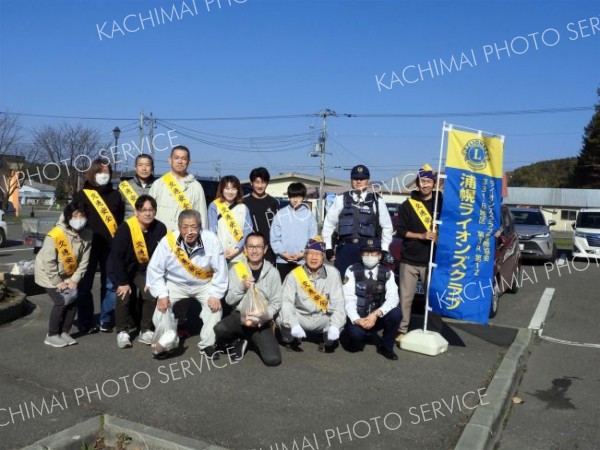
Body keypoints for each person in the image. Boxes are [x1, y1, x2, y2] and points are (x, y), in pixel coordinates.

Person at [146, 209, 228, 359]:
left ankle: (207, 345)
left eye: (194, 227)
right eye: (185, 227)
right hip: (175, 283)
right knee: (161, 309)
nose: (189, 231)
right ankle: (167, 343)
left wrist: (216, 294)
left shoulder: (211, 239)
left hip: (203, 283)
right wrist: (162, 294)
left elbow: (220, 270)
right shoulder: (168, 241)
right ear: (179, 227)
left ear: (200, 226)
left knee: (215, 308)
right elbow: (154, 269)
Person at [107, 194, 167, 349]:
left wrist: (153, 279)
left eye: (151, 210)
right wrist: (122, 282)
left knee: (151, 294)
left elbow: (161, 256)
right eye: (144, 210)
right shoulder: (126, 228)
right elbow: (117, 257)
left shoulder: (160, 228)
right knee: (124, 295)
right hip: (122, 269)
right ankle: (122, 331)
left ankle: (145, 329)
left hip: (144, 270)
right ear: (136, 212)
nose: (148, 213)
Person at [214, 232, 282, 366]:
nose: (254, 250)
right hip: (240, 316)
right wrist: (241, 288)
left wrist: (264, 315)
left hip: (261, 320)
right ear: (245, 249)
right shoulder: (235, 268)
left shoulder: (273, 272)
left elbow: (277, 302)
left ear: (265, 249)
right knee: (219, 329)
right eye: (250, 247)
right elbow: (229, 300)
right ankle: (240, 339)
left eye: (258, 247)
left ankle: (247, 339)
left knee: (273, 359)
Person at [73, 159, 125, 333]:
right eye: (100, 171)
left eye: (107, 172)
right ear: (92, 173)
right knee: (84, 285)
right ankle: (85, 320)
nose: (104, 175)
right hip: (87, 247)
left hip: (110, 248)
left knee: (110, 285)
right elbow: (73, 220)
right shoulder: (82, 195)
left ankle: (106, 318)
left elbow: (119, 220)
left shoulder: (116, 195)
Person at [34, 201, 92, 347]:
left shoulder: (87, 234)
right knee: (61, 301)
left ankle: (65, 332)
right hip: (48, 273)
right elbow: (48, 261)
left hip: (68, 273)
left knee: (73, 297)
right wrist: (57, 281)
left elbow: (84, 261)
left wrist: (75, 279)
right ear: (67, 217)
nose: (79, 219)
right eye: (75, 216)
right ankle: (52, 334)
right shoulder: (55, 235)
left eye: (82, 215)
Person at [395, 164, 442, 344]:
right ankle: (402, 329)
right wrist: (421, 235)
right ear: (417, 183)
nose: (426, 185)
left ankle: (435, 331)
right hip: (410, 259)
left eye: (429, 181)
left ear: (434, 183)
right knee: (406, 299)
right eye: (423, 181)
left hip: (433, 260)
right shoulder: (408, 205)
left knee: (434, 298)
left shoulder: (441, 202)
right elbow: (400, 231)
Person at [322, 164, 394, 276]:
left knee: (367, 288)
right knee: (341, 283)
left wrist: (384, 249)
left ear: (368, 180)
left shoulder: (376, 201)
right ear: (351, 180)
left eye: (362, 179)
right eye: (355, 178)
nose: (358, 181)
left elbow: (387, 226)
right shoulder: (341, 199)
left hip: (369, 250)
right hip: (345, 250)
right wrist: (328, 247)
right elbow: (328, 224)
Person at [277, 236, 346, 352]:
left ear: (323, 257)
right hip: (300, 316)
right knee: (280, 317)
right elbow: (286, 302)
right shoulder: (294, 275)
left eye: (318, 254)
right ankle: (291, 339)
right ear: (305, 256)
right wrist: (293, 324)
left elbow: (338, 303)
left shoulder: (333, 273)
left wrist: (335, 326)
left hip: (323, 317)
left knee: (339, 319)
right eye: (310, 253)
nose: (314, 257)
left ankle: (326, 339)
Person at [342, 238, 402, 360]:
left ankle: (386, 347)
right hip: (359, 316)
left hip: (376, 316)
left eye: (373, 253)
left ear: (379, 255)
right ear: (361, 254)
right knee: (355, 340)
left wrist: (376, 314)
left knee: (396, 313)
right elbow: (348, 298)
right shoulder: (352, 270)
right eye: (366, 253)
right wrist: (356, 319)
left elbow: (393, 297)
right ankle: (353, 335)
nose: (370, 256)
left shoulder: (387, 272)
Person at [149, 145, 207, 231]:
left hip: (186, 239)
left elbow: (202, 215)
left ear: (189, 162)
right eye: (176, 158)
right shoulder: (158, 184)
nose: (180, 161)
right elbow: (148, 211)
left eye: (183, 159)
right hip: (161, 238)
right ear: (170, 160)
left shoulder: (196, 186)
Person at [270, 182, 318, 281]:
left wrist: (303, 253)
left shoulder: (309, 215)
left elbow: (313, 239)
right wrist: (282, 253)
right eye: (292, 196)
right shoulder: (281, 214)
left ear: (303, 197)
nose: (295, 200)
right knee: (284, 291)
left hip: (304, 261)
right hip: (282, 261)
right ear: (288, 196)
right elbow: (274, 238)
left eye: (299, 196)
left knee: (303, 292)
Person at [207, 175, 253, 266]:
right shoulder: (214, 206)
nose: (230, 192)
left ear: (238, 190)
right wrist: (220, 251)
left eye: (234, 189)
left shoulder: (243, 208)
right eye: (227, 188)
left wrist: (236, 250)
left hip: (239, 255)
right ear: (222, 190)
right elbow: (212, 231)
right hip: (219, 255)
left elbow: (248, 232)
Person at [243, 167, 279, 265]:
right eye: (257, 182)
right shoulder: (243, 202)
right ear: (251, 183)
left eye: (263, 182)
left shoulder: (274, 202)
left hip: (268, 250)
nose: (260, 185)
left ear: (267, 183)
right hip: (249, 249)